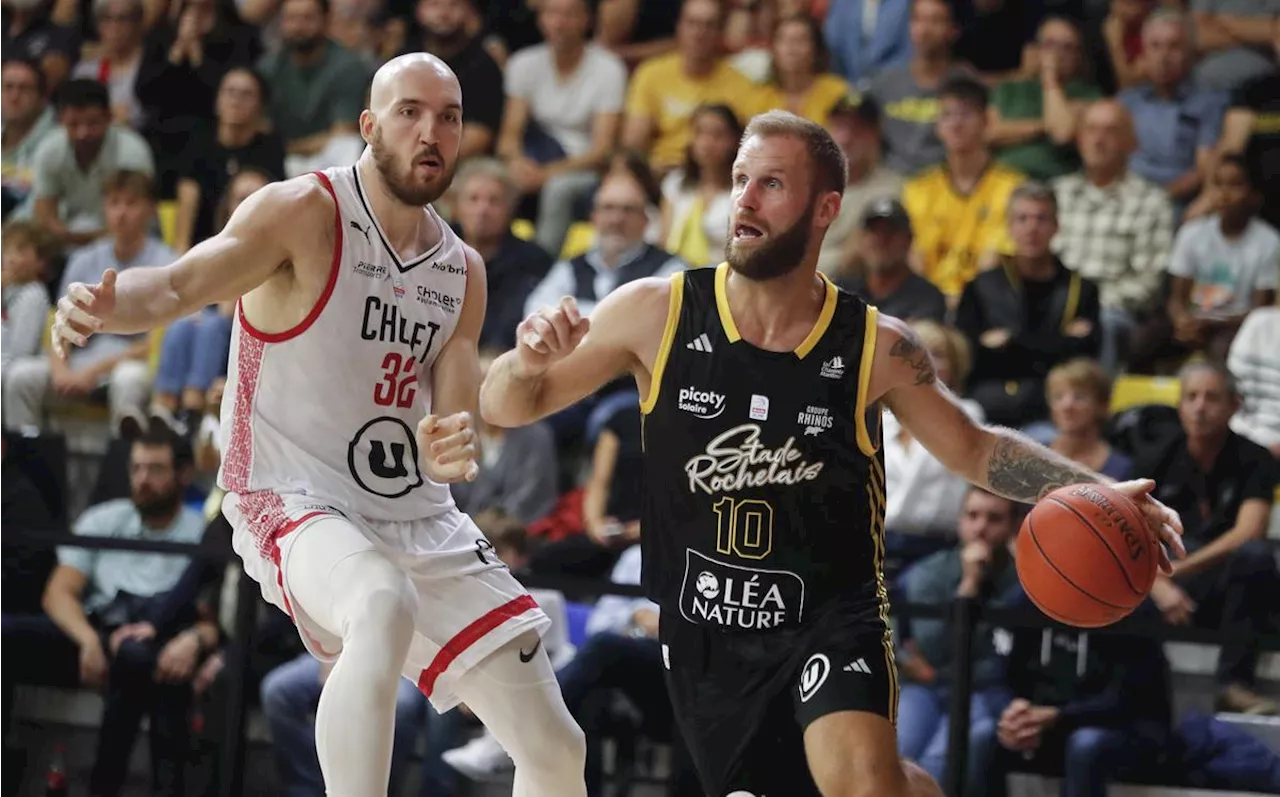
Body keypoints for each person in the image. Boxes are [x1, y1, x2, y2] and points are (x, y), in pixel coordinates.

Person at [480, 109, 1185, 797]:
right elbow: (504, 406)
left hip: (830, 612)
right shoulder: (656, 310)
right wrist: (526, 358)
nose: (745, 200)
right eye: (739, 178)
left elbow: (976, 449)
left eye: (772, 184)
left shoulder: (875, 344)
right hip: (707, 634)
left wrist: (1097, 487)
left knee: (862, 785)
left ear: (826, 208)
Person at [49, 53, 587, 797]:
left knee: (558, 747)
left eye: (450, 117)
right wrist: (108, 305)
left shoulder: (462, 269)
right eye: (410, 112)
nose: (431, 132)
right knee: (380, 600)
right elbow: (178, 283)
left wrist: (448, 440)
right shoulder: (304, 210)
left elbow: (453, 422)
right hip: (290, 489)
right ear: (368, 125)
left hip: (413, 512)